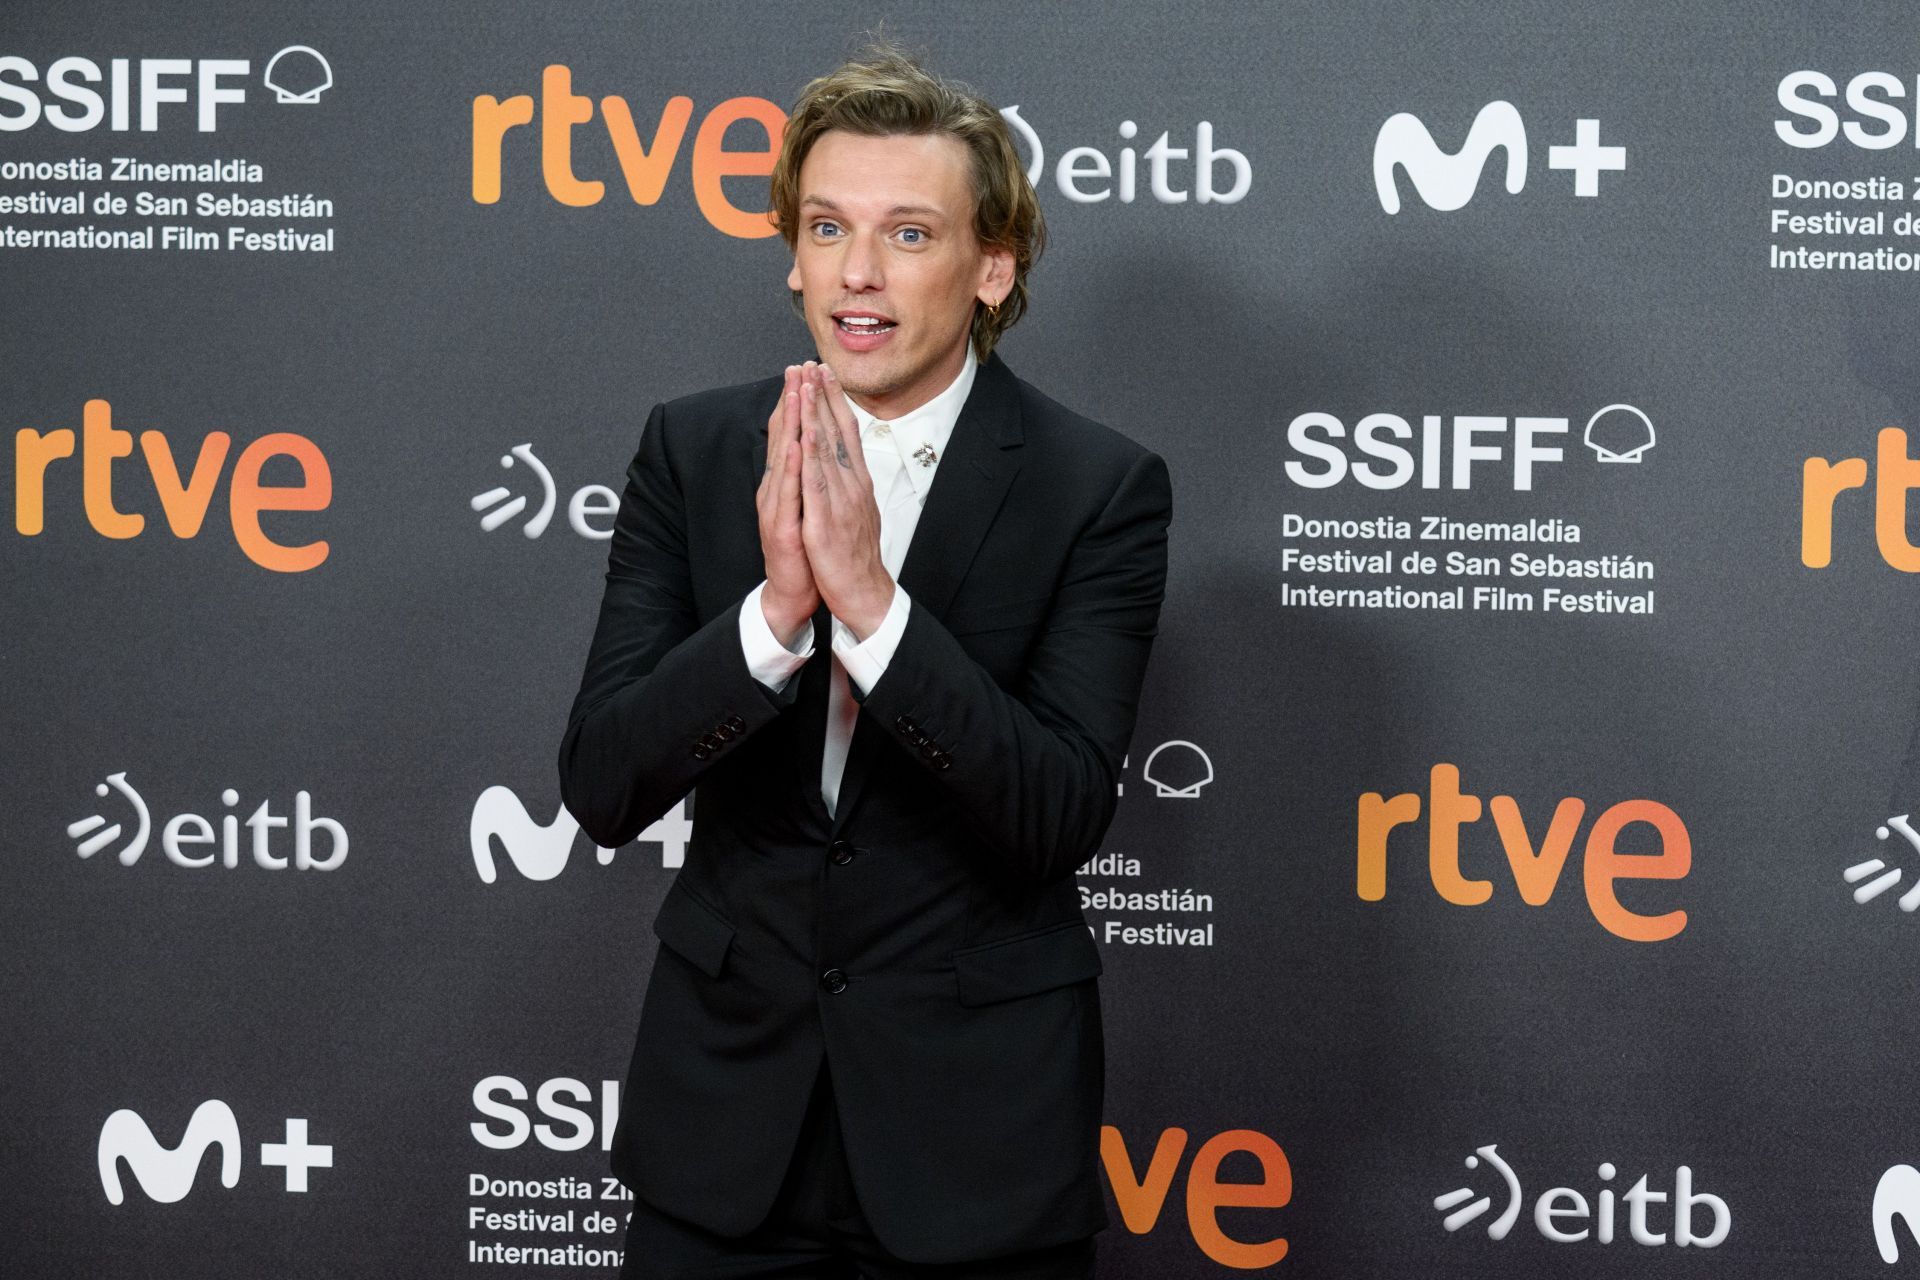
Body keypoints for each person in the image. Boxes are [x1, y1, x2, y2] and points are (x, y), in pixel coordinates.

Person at [558, 42, 1172, 1280]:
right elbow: (603, 780)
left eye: (907, 233)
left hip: (975, 1143)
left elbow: (1055, 814)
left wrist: (877, 611)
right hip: (723, 1133)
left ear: (991, 269)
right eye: (828, 226)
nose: (855, 272)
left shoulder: (1096, 486)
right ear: (791, 252)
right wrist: (777, 613)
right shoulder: (693, 448)